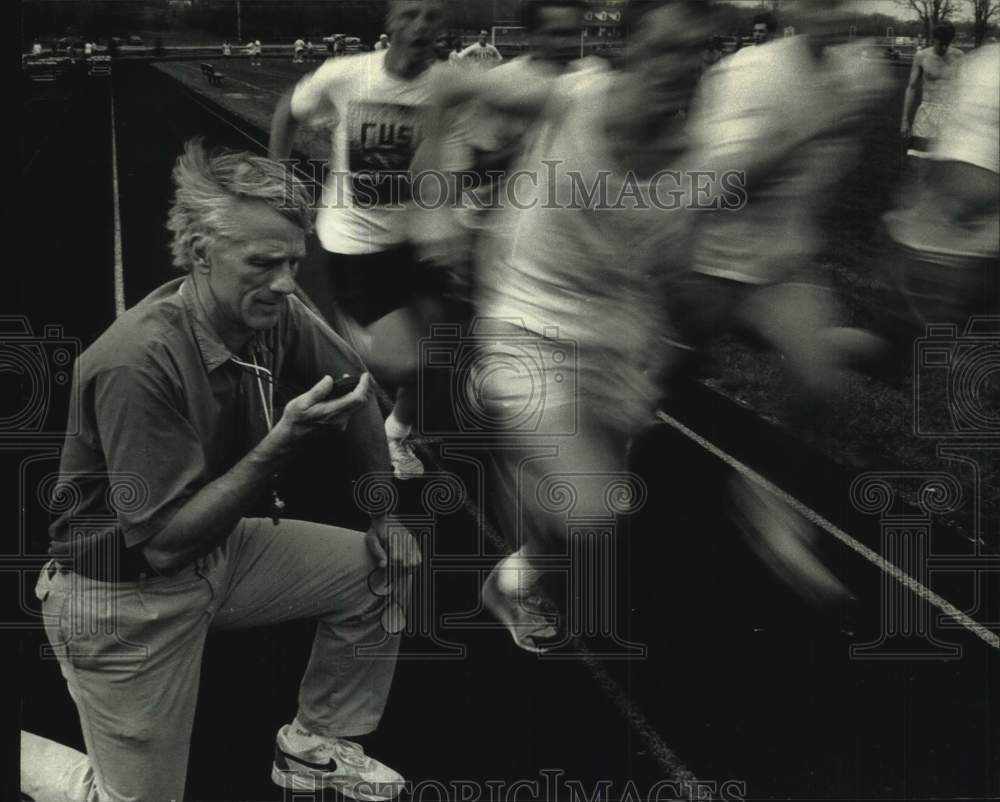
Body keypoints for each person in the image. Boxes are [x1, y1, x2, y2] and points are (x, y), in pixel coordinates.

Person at [28, 140, 419, 802]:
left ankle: (313, 748)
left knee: (380, 574)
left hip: (216, 554)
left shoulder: (272, 312)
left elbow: (355, 394)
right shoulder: (137, 362)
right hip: (122, 595)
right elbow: (164, 541)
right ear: (201, 252)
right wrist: (280, 444)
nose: (288, 283)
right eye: (264, 263)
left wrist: (383, 513)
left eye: (295, 262)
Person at [430, 0, 713, 651]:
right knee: (593, 508)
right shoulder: (570, 94)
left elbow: (675, 277)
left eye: (698, 49)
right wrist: (437, 208)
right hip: (526, 324)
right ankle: (516, 440)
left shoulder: (694, 159)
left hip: (615, 348)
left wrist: (678, 338)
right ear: (631, 49)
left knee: (581, 509)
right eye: (667, 48)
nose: (683, 65)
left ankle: (519, 566)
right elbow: (446, 87)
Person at [270, 0, 461, 481]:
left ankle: (396, 432)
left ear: (444, 26)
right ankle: (356, 335)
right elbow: (286, 113)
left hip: (414, 240)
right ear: (391, 20)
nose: (421, 26)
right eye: (411, 13)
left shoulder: (447, 84)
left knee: (437, 349)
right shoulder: (347, 74)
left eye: (433, 16)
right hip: (353, 244)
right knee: (403, 364)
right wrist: (277, 178)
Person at [901, 23, 963, 175]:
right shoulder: (922, 56)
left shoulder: (959, 56)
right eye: (941, 43)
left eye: (947, 43)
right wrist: (904, 120)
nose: (943, 47)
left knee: (946, 167)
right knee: (918, 163)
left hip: (950, 113)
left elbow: (964, 87)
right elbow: (911, 88)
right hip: (926, 113)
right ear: (934, 39)